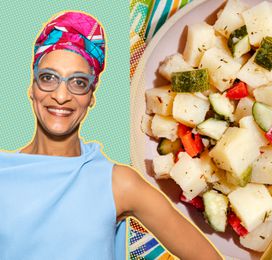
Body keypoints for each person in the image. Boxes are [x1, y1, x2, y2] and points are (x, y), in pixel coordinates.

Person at [0, 11, 222, 260]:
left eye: (78, 82)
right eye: (49, 78)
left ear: (91, 96)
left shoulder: (118, 183)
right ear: (32, 87)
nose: (61, 96)